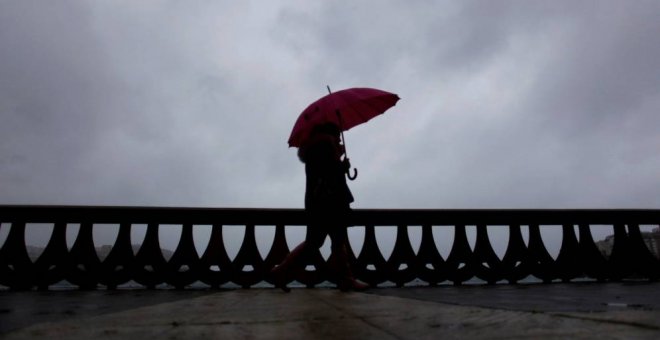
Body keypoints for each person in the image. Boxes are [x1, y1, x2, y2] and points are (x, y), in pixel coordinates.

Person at [271, 122, 368, 292]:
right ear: (332, 133)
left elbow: (323, 172)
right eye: (338, 135)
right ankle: (345, 280)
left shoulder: (317, 147)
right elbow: (329, 174)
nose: (339, 138)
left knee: (319, 241)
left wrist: (337, 157)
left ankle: (281, 272)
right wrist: (341, 163)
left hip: (319, 203)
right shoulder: (324, 145)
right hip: (329, 203)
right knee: (330, 240)